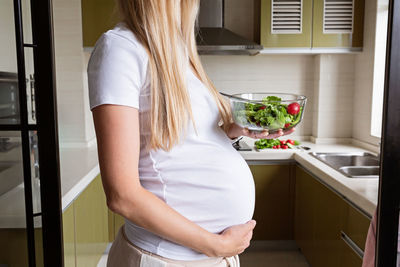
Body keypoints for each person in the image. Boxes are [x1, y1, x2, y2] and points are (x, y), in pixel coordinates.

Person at [87, 1, 294, 266]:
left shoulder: (176, 54)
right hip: (167, 258)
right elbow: (122, 195)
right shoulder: (120, 49)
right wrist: (216, 245)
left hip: (205, 257)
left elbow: (180, 143)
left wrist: (231, 131)